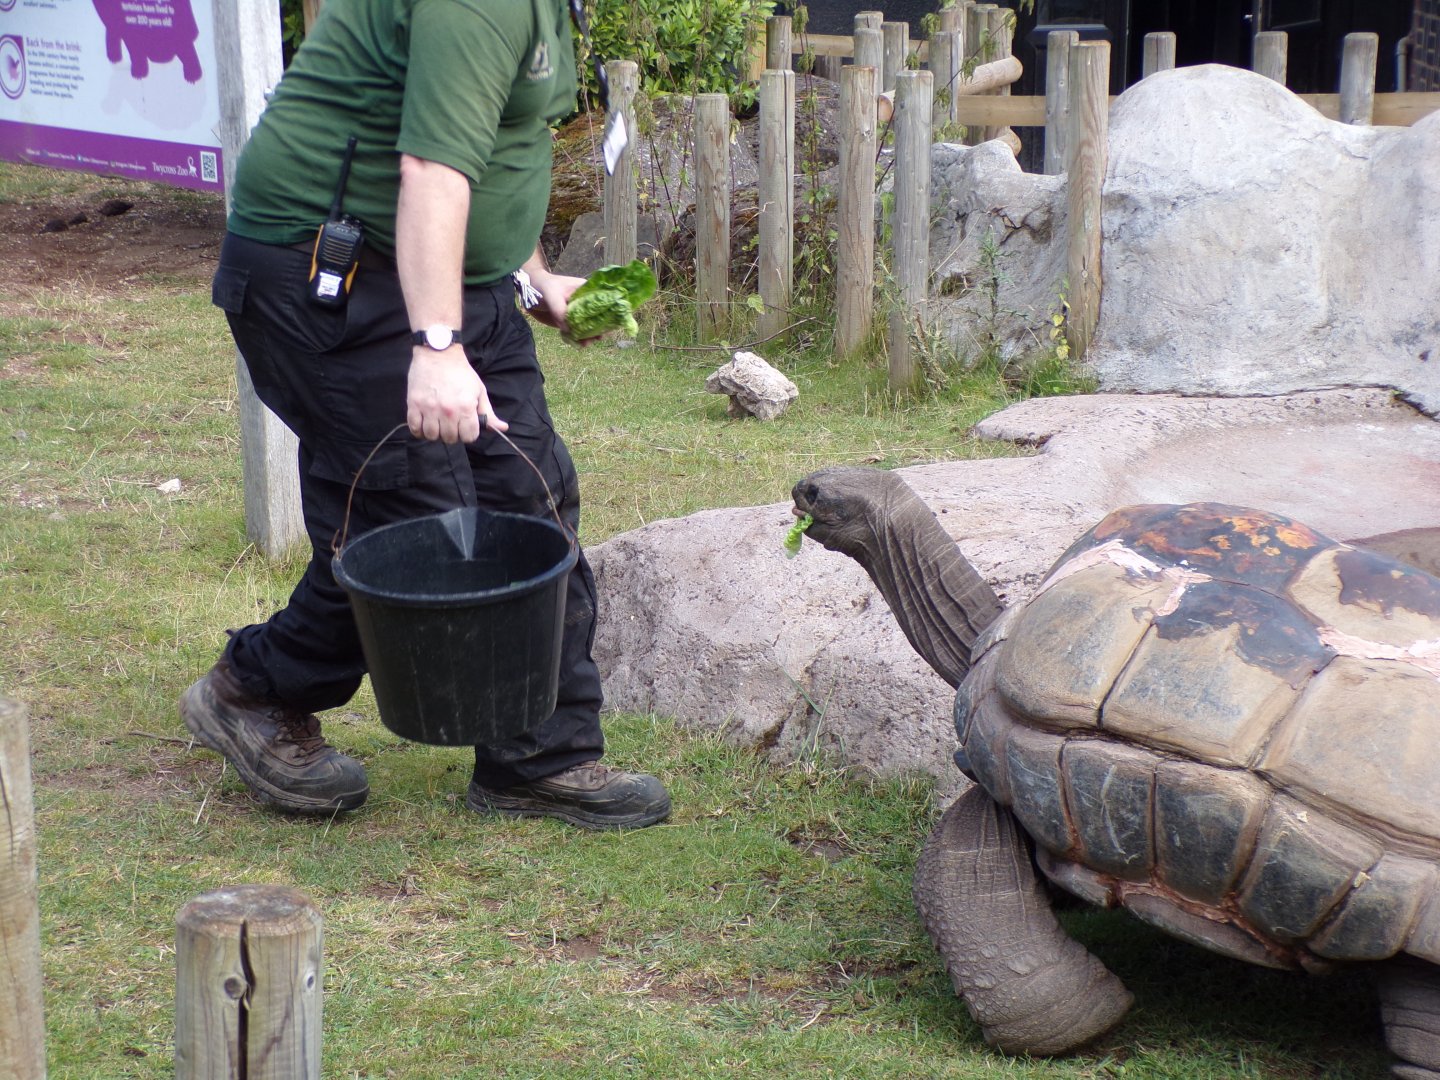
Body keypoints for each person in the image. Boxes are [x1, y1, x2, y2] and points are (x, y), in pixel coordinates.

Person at [180, 0, 670, 830]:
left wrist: (532, 276)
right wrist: (437, 347)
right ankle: (254, 689)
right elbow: (433, 171)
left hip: (445, 271)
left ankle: (537, 756)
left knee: (530, 495)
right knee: (415, 515)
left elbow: (493, 141)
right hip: (324, 265)